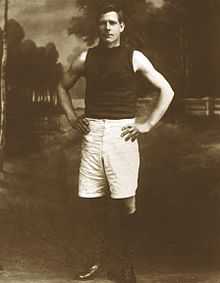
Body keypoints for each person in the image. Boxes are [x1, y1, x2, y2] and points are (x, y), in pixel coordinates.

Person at [58, 4, 174, 283]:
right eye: (103, 23)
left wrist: (146, 125)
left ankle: (125, 263)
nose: (107, 28)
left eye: (112, 23)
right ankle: (100, 258)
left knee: (125, 201)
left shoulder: (134, 57)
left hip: (122, 134)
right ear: (98, 28)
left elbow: (167, 90)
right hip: (93, 134)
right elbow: (62, 87)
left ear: (122, 27)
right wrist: (74, 118)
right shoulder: (86, 58)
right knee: (92, 199)